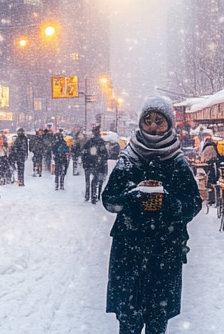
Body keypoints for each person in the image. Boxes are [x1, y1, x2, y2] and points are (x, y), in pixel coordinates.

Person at [102, 97, 202, 334]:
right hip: (129, 253)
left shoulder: (177, 162)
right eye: (148, 121)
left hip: (164, 252)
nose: (154, 127)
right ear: (141, 123)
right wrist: (132, 198)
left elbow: (193, 204)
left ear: (169, 124)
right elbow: (109, 199)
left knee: (157, 322)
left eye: (159, 121)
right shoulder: (128, 159)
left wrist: (168, 204)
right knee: (128, 321)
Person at [83, 123, 108, 204]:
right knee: (96, 181)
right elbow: (105, 155)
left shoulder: (89, 142)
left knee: (87, 180)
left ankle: (87, 195)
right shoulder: (101, 142)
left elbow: (83, 152)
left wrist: (85, 162)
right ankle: (95, 196)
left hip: (88, 163)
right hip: (98, 164)